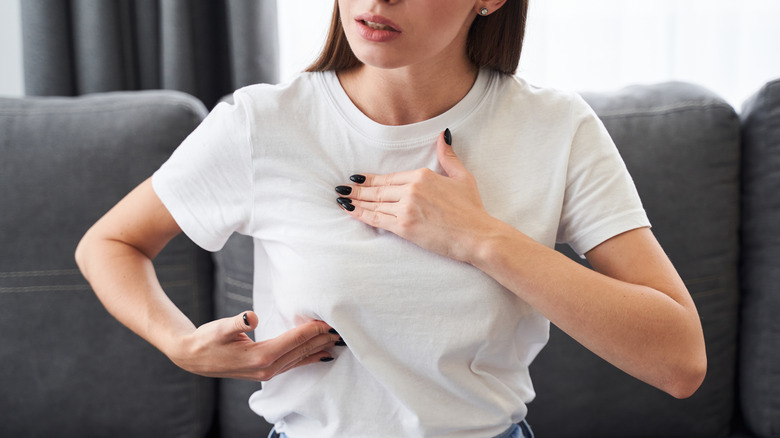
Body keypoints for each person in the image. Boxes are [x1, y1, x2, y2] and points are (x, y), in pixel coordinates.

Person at [75, 0, 707, 437]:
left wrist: (481, 240)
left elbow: (679, 361)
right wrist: (179, 345)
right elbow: (110, 242)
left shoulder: (558, 130)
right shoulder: (261, 123)